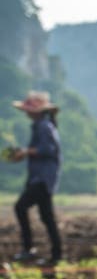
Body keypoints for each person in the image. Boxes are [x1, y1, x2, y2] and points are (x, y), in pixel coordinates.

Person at [9, 91, 63, 266]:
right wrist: (24, 153)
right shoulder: (42, 125)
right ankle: (56, 255)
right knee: (47, 216)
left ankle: (29, 248)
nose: (25, 112)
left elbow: (48, 150)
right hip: (41, 178)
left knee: (20, 207)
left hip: (43, 178)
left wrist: (25, 152)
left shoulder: (44, 126)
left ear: (36, 111)